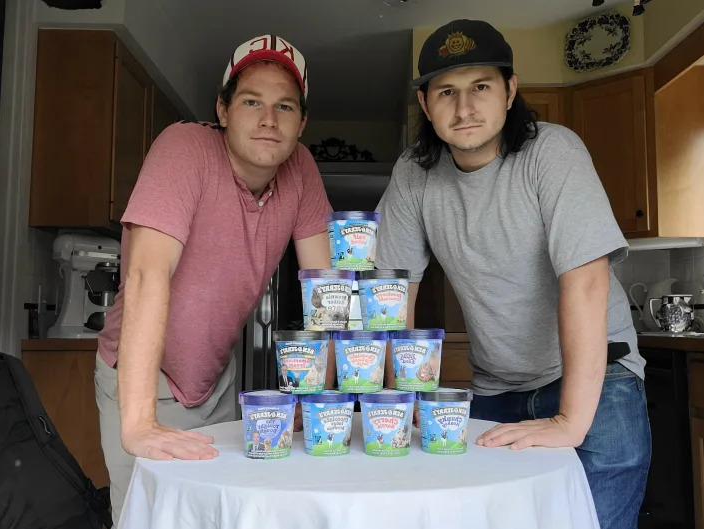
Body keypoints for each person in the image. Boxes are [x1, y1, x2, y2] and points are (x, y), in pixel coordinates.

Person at [375, 19, 650, 529]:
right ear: (424, 101)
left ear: (510, 91)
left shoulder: (553, 151)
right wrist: (401, 395)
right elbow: (393, 293)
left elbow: (585, 279)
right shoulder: (413, 175)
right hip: (496, 388)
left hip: (596, 382)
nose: (464, 108)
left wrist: (570, 422)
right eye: (447, 91)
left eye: (481, 86)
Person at [95, 34, 332, 525]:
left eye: (285, 107)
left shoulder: (302, 169)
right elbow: (146, 271)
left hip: (218, 379)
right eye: (252, 102)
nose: (269, 120)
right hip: (144, 378)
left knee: (221, 515)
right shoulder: (185, 147)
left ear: (302, 123)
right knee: (149, 518)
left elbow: (325, 292)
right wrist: (139, 424)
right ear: (222, 110)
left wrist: (318, 400)